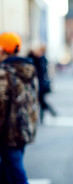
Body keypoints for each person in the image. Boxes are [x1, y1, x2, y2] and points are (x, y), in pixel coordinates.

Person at [0, 32, 39, 184]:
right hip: (23, 129)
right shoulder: (28, 68)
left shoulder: (4, 72)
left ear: (3, 50)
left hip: (8, 132)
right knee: (7, 171)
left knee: (16, 173)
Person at [28, 45, 57, 123]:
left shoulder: (41, 60)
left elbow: (39, 70)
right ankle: (47, 114)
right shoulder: (40, 59)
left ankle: (46, 115)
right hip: (39, 84)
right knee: (40, 101)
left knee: (40, 100)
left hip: (41, 84)